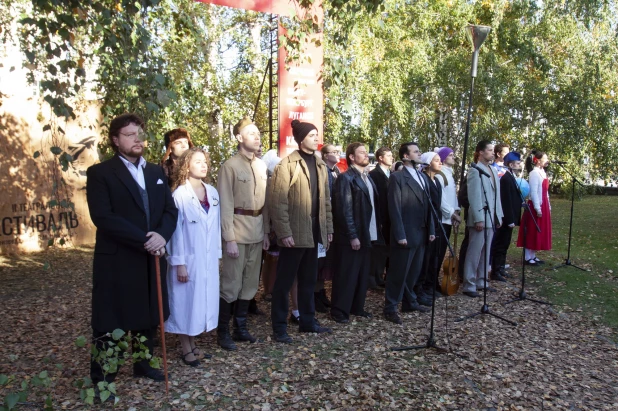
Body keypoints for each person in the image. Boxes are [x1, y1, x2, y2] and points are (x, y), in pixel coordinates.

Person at [86, 113, 178, 389]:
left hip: (152, 256)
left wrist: (161, 236)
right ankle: (103, 379)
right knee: (111, 318)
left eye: (140, 133)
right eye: (130, 134)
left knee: (148, 313)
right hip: (118, 259)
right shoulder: (101, 173)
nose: (137, 139)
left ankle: (144, 364)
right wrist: (145, 240)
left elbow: (170, 211)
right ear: (115, 140)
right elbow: (103, 217)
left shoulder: (155, 172)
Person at [270, 120, 333, 343]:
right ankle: (279, 328)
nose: (317, 138)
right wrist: (284, 232)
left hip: (314, 232)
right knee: (284, 283)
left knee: (308, 281)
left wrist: (328, 229)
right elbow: (277, 203)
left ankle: (308, 322)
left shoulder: (320, 165)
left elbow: (325, 201)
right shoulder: (286, 165)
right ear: (301, 139)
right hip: (293, 235)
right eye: (312, 135)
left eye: (317, 134)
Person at [216, 117, 268, 351]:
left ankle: (241, 328)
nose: (257, 137)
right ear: (239, 138)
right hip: (237, 230)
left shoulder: (261, 165)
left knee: (249, 283)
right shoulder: (230, 166)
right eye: (251, 133)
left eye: (258, 133)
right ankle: (223, 332)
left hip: (257, 230)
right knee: (231, 284)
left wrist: (266, 232)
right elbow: (225, 203)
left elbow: (264, 204)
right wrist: (229, 238)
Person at [165, 148, 220, 366]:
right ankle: (185, 347)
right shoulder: (179, 195)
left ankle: (194, 343)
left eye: (205, 161)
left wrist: (217, 255)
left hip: (206, 259)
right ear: (187, 166)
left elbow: (215, 227)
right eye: (198, 162)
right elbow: (175, 232)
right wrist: (179, 263)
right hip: (187, 258)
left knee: (199, 302)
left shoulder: (213, 193)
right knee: (185, 302)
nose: (203, 165)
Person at [330, 142, 383, 323]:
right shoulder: (346, 178)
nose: (366, 155)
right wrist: (352, 235)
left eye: (366, 152)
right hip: (352, 236)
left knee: (361, 273)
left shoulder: (368, 178)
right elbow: (344, 210)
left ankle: (356, 307)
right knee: (346, 273)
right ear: (351, 157)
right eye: (361, 152)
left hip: (367, 234)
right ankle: (339, 310)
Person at [383, 142, 435, 324]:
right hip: (405, 232)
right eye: (415, 151)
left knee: (414, 271)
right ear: (405, 156)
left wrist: (432, 229)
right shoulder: (397, 177)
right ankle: (390, 307)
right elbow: (394, 208)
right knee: (398, 272)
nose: (419, 153)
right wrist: (400, 234)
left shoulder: (422, 177)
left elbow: (429, 206)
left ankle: (409, 301)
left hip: (421, 232)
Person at [462, 140, 504, 298]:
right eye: (490, 150)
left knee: (486, 251)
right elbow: (474, 197)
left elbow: (496, 196)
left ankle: (481, 280)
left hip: (491, 217)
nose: (493, 153)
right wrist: (478, 218)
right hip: (480, 217)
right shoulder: (475, 170)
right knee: (474, 251)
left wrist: (499, 215)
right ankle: (469, 283)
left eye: (493, 150)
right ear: (480, 152)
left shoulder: (493, 171)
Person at [413, 151, 444, 303]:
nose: (440, 163)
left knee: (433, 257)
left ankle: (428, 286)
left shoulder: (436, 181)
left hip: (437, 222)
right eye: (437, 160)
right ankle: (419, 289)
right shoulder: (423, 179)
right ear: (428, 163)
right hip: (427, 223)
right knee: (424, 258)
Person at [314, 144, 341, 312]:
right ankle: (315, 294)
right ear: (325, 156)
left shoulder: (336, 172)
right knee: (318, 260)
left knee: (325, 261)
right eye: (334, 152)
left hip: (331, 221)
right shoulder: (322, 171)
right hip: (321, 222)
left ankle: (321, 291)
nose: (338, 154)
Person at [491, 151, 523, 280]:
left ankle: (501, 267)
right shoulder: (505, 179)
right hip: (506, 219)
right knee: (500, 244)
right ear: (510, 164)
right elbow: (506, 201)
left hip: (511, 218)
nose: (519, 165)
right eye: (517, 163)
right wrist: (509, 219)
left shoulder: (511, 177)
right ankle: (496, 270)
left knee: (505, 244)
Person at [517, 150, 552, 265]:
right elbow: (534, 192)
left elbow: (545, 192)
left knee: (539, 230)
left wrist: (548, 206)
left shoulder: (542, 172)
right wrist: (538, 208)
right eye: (545, 159)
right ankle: (528, 257)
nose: (547, 161)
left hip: (544, 203)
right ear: (537, 161)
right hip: (536, 204)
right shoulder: (534, 173)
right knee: (532, 229)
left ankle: (533, 255)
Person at [434, 147, 461, 288]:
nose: (453, 157)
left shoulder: (449, 175)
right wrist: (451, 213)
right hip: (442, 220)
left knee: (441, 251)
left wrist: (456, 211)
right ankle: (432, 282)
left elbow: (452, 197)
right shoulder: (440, 175)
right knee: (437, 253)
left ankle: (435, 281)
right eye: (450, 155)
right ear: (443, 158)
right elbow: (441, 200)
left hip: (448, 219)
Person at [368, 146, 393, 289]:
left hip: (390, 218)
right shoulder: (374, 175)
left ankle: (380, 276)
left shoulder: (391, 174)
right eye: (388, 155)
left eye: (391, 155)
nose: (391, 157)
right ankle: (373, 278)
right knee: (378, 250)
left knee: (386, 250)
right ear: (380, 158)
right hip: (379, 218)